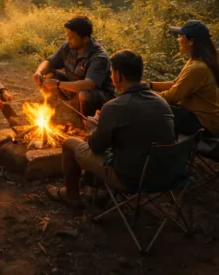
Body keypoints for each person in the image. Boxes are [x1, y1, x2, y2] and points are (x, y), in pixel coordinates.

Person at [48, 50, 175, 207]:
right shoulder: (161, 102)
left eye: (112, 73)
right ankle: (97, 189)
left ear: (119, 76)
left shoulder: (114, 107)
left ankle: (71, 195)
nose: (111, 77)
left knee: (69, 143)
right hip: (166, 175)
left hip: (131, 179)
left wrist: (92, 128)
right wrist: (106, 123)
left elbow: (96, 147)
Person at [149, 20, 219, 136]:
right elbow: (176, 83)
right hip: (198, 117)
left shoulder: (198, 68)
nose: (178, 39)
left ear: (191, 41)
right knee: (158, 107)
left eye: (181, 36)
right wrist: (150, 85)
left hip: (205, 124)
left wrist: (147, 95)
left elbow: (172, 97)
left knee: (156, 109)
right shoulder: (196, 61)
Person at [32, 15, 115, 117]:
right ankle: (53, 114)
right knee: (49, 75)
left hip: (98, 98)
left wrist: (58, 84)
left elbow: (88, 85)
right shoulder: (68, 46)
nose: (68, 40)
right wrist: (39, 72)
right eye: (67, 37)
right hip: (72, 89)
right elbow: (50, 61)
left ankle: (86, 121)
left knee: (84, 94)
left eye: (72, 38)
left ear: (85, 39)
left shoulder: (99, 57)